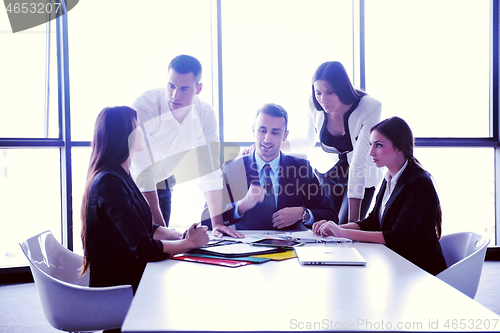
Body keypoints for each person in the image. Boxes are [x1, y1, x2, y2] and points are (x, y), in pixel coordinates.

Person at [81, 106, 210, 294]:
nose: (143, 132)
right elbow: (143, 248)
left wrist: (180, 236)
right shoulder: (109, 182)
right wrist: (189, 244)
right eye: (138, 127)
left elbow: (142, 227)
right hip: (118, 289)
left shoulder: (121, 175)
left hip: (130, 276)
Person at [312, 117, 447, 276]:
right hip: (396, 264)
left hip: (420, 270)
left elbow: (397, 237)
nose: (371, 152)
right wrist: (334, 227)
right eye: (371, 145)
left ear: (399, 148)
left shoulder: (419, 183)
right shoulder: (389, 176)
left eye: (379, 145)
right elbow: (373, 221)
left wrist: (342, 233)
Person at [212, 103, 337, 238]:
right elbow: (210, 219)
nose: (267, 139)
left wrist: (303, 213)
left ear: (285, 135)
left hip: (290, 248)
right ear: (254, 130)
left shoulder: (302, 168)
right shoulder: (232, 169)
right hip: (245, 249)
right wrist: (240, 207)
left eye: (275, 132)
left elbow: (331, 216)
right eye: (262, 130)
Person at [130, 54, 223, 229]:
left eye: (184, 89)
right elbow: (142, 170)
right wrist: (161, 229)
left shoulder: (205, 114)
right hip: (132, 184)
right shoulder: (144, 107)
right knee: (143, 244)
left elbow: (209, 168)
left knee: (161, 250)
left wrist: (217, 223)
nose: (175, 95)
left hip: (163, 182)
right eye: (171, 86)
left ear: (199, 88)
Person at [286, 61, 382, 225]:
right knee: (321, 226)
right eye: (318, 93)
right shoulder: (314, 104)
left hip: (362, 176)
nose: (323, 99)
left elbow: (358, 162)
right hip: (329, 175)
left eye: (329, 92)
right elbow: (307, 141)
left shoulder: (370, 107)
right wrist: (271, 146)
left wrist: (352, 224)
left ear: (342, 88)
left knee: (344, 226)